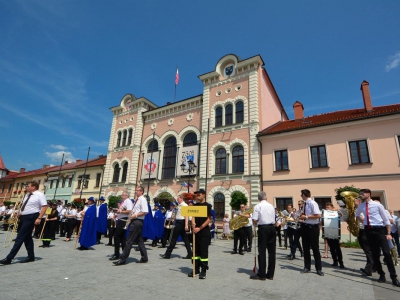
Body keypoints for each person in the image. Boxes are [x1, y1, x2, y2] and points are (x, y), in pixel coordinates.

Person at [355, 189, 400, 287]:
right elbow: (357, 215)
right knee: (375, 254)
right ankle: (381, 275)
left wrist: (388, 233)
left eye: (362, 194)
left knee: (387, 254)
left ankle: (394, 277)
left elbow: (386, 219)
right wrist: (363, 221)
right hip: (368, 231)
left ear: (368, 194)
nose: (361, 195)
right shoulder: (361, 205)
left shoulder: (378, 205)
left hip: (380, 230)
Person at [0, 181, 48, 265]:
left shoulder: (40, 195)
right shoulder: (27, 195)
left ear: (33, 187)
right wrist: (19, 213)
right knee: (27, 237)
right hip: (23, 217)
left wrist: (39, 218)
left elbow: (44, 206)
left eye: (28, 186)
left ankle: (9, 258)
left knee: (20, 237)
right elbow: (25, 206)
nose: (26, 187)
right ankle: (31, 256)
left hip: (32, 216)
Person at [114, 186, 149, 266]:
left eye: (137, 190)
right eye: (136, 190)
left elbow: (145, 211)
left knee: (129, 240)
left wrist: (135, 215)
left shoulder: (142, 199)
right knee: (139, 240)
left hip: (137, 221)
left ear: (141, 191)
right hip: (135, 220)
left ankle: (123, 259)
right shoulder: (137, 200)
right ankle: (144, 257)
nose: (136, 191)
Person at [250, 191, 276, 280]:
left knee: (262, 251)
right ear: (266, 198)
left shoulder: (258, 206)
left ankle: (262, 274)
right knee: (272, 252)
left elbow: (254, 220)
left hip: (263, 229)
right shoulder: (271, 206)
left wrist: (255, 224)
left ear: (258, 198)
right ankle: (270, 274)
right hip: (272, 228)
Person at [298, 189, 324, 276]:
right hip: (305, 227)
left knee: (315, 248)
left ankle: (318, 268)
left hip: (313, 228)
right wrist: (300, 216)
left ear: (304, 195)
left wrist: (306, 217)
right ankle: (307, 267)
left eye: (301, 195)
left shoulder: (313, 203)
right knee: (305, 248)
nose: (301, 196)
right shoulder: (305, 204)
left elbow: (318, 215)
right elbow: (304, 215)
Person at [188, 189, 212, 279]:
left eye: (199, 195)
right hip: (195, 232)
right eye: (197, 195)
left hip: (204, 232)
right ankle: (196, 268)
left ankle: (203, 270)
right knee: (195, 251)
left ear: (203, 195)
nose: (197, 196)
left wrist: (200, 228)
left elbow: (209, 219)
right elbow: (193, 216)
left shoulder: (208, 206)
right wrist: (193, 225)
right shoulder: (195, 205)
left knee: (203, 252)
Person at [160, 195, 192, 259]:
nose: (177, 199)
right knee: (185, 239)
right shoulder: (179, 205)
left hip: (181, 223)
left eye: (178, 198)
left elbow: (186, 216)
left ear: (181, 199)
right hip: (179, 222)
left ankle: (167, 254)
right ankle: (190, 254)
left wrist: (186, 225)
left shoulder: (184, 205)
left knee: (173, 238)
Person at [109, 192, 133, 260]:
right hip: (122, 219)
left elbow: (129, 211)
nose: (122, 196)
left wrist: (120, 212)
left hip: (124, 220)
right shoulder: (125, 202)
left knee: (116, 236)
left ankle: (117, 254)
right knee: (122, 238)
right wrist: (118, 214)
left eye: (123, 195)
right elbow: (123, 210)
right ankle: (124, 253)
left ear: (126, 195)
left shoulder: (128, 201)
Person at [355, 197, 375, 276]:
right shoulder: (357, 210)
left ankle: (369, 268)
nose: (353, 203)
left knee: (367, 250)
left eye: (354, 201)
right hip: (360, 231)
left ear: (359, 201)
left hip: (364, 230)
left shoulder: (362, 209)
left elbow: (364, 219)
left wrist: (359, 218)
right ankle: (370, 267)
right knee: (366, 249)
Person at [324, 202, 345, 268]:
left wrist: (336, 210)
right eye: (326, 207)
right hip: (328, 232)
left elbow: (341, 215)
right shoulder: (325, 213)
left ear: (332, 207)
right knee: (332, 248)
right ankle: (335, 261)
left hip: (335, 232)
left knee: (337, 248)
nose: (327, 209)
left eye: (328, 207)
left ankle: (341, 262)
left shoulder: (336, 212)